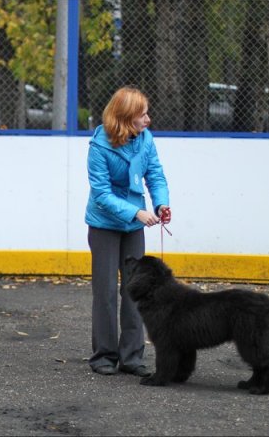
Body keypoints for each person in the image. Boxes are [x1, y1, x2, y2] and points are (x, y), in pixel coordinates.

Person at [85, 86, 170, 376]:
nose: (148, 119)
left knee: (135, 290)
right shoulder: (99, 146)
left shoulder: (145, 139)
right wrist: (135, 211)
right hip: (105, 225)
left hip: (135, 224)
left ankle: (132, 356)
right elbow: (101, 194)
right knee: (106, 292)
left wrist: (161, 204)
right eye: (141, 114)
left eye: (146, 113)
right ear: (125, 117)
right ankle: (104, 357)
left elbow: (156, 174)